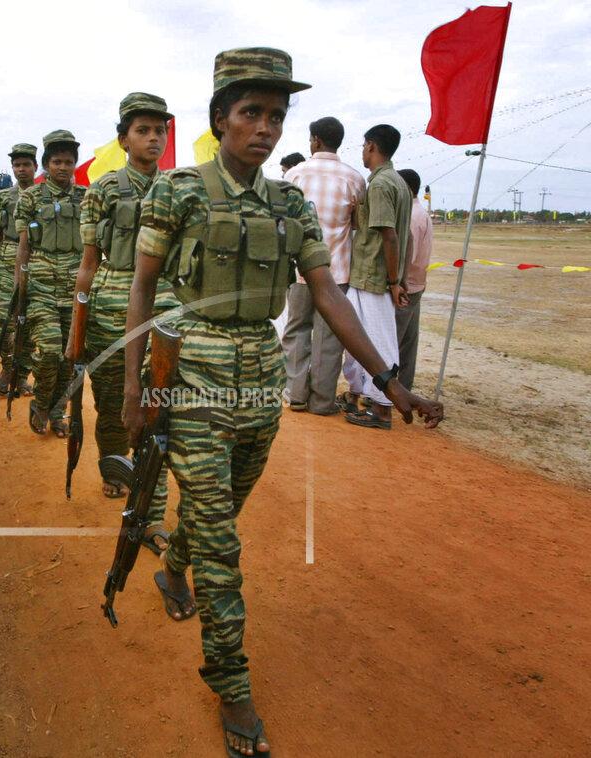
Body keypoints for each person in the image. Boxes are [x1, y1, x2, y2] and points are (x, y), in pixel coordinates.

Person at [122, 47, 444, 757]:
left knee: (221, 510)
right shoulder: (176, 191)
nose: (265, 128)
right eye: (250, 113)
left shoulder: (289, 201)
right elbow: (143, 290)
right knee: (222, 539)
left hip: (261, 385)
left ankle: (174, 565)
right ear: (221, 119)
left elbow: (327, 296)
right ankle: (232, 684)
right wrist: (134, 388)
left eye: (275, 115)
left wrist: (392, 382)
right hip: (195, 382)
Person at [69, 92, 173, 549]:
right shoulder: (104, 189)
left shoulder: (179, 187)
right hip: (111, 306)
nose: (153, 138)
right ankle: (113, 465)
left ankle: (148, 512)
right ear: (123, 138)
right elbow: (89, 262)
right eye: (143, 131)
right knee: (114, 401)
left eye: (160, 130)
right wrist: (78, 327)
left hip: (166, 307)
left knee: (157, 408)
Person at [282, 117, 366, 414]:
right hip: (336, 272)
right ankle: (322, 401)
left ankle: (296, 394)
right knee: (330, 337)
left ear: (315, 140)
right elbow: (356, 224)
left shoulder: (294, 174)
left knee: (296, 330)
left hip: (299, 269)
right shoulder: (355, 179)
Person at [338, 124, 413, 430]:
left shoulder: (382, 185)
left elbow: (389, 235)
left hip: (374, 275)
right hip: (369, 275)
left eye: (363, 146)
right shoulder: (396, 182)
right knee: (356, 338)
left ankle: (382, 407)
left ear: (370, 146)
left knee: (379, 341)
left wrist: (394, 282)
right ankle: (361, 393)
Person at [14, 130, 85, 437]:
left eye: (68, 162)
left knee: (71, 356)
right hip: (41, 285)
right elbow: (24, 246)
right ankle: (42, 403)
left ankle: (58, 413)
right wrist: (21, 286)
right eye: (56, 161)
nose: (63, 167)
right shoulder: (30, 197)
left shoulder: (86, 196)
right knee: (51, 353)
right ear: (46, 164)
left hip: (75, 286)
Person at [0, 144, 39, 395]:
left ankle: (20, 377)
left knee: (30, 325)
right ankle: (8, 368)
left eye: (26, 164)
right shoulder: (3, 197)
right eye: (17, 165)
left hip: (37, 262)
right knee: (5, 321)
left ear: (35, 167)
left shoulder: (44, 196)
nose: (21, 169)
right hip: (7, 261)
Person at [395, 168, 432, 391]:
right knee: (408, 342)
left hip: (406, 285)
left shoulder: (410, 216)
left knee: (393, 341)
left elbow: (409, 254)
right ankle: (404, 386)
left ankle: (383, 394)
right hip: (417, 284)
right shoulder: (421, 213)